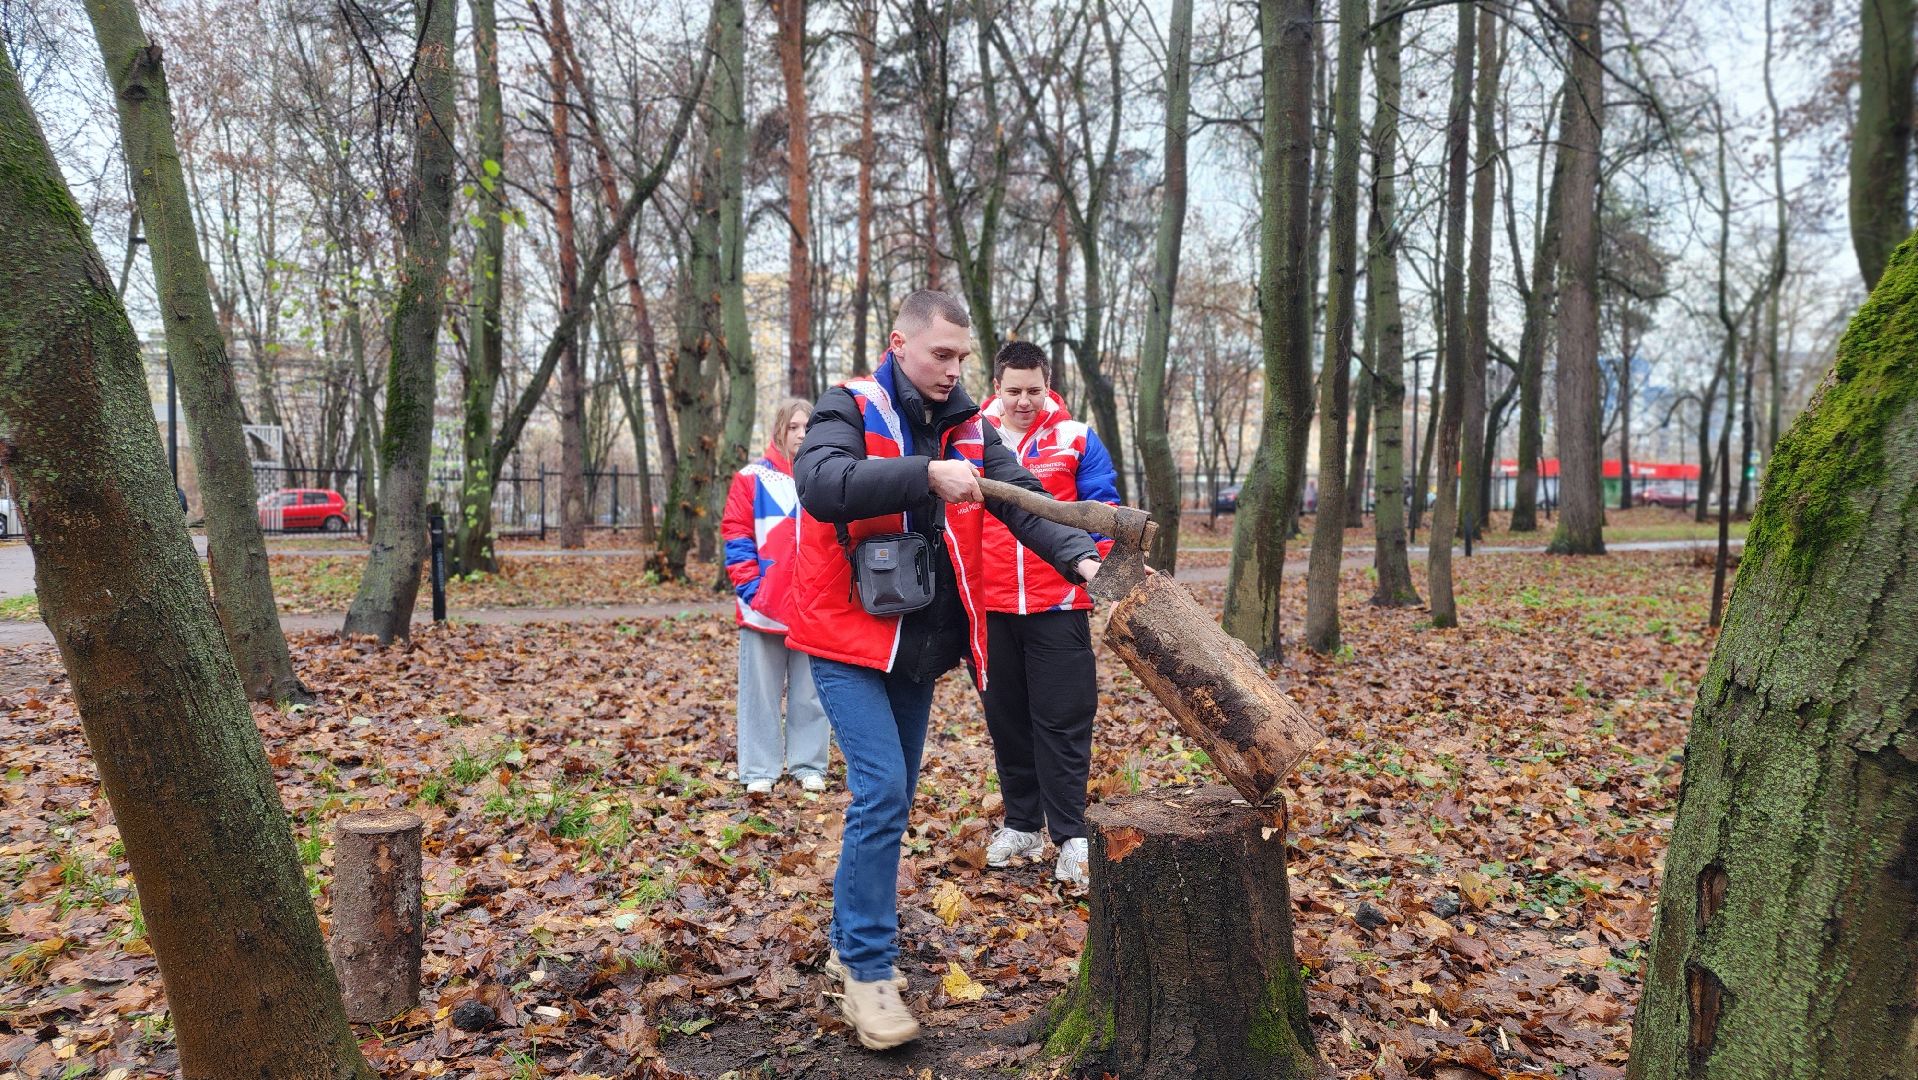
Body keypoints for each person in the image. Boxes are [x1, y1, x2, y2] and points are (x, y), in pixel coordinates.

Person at [786, 290, 1102, 1049]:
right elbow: (822, 484)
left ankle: (846, 940)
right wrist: (924, 474)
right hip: (844, 640)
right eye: (942, 355)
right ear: (899, 343)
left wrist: (1082, 559)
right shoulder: (848, 406)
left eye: (963, 356)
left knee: (889, 802)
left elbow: (1023, 503)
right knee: (884, 794)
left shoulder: (970, 425)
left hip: (918, 649)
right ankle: (866, 973)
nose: (954, 369)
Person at [976, 341, 1118, 888]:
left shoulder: (1076, 437)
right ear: (997, 387)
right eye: (1013, 391)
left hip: (1058, 602)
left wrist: (1099, 576)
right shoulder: (970, 438)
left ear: (1048, 384)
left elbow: (1101, 511)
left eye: (1033, 390)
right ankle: (1020, 826)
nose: (1023, 401)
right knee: (1006, 719)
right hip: (988, 606)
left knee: (1062, 720)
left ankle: (1072, 836)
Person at [722, 398, 830, 795]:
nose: (802, 435)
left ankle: (808, 763)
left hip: (812, 606)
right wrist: (752, 588)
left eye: (809, 427)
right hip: (763, 605)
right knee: (761, 693)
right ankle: (759, 769)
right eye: (795, 427)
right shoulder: (751, 478)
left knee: (811, 692)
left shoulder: (825, 477)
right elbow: (737, 536)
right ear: (779, 430)